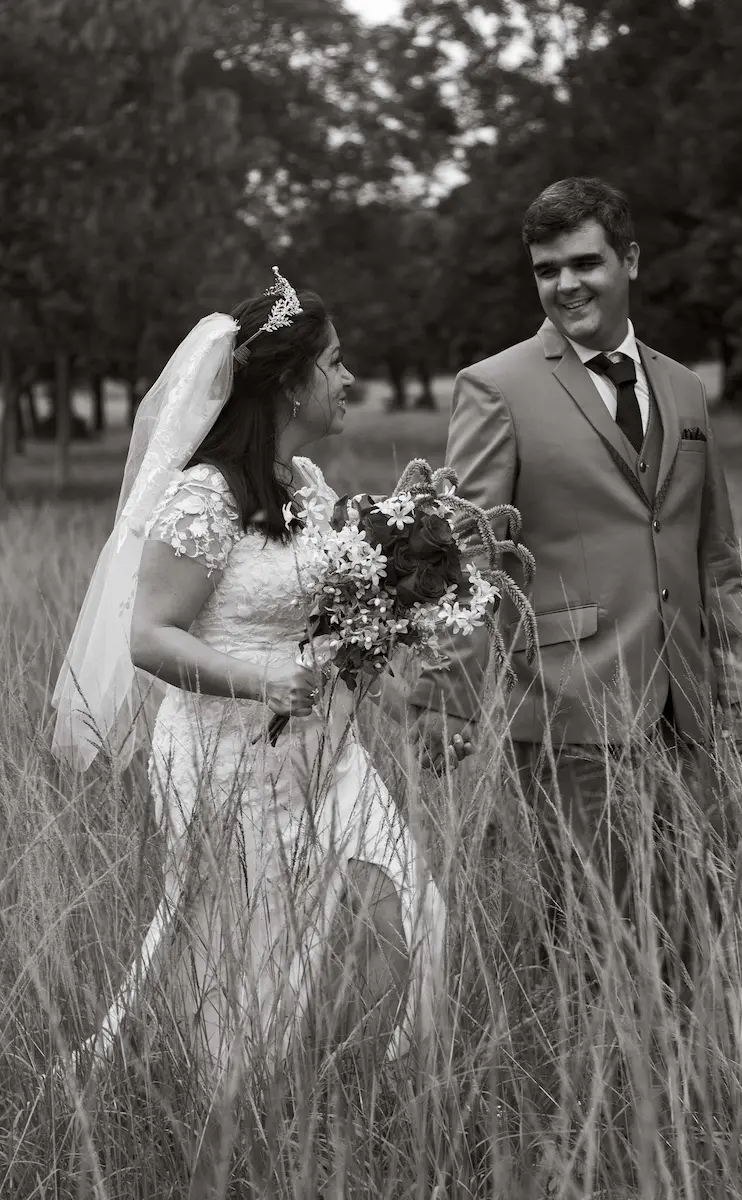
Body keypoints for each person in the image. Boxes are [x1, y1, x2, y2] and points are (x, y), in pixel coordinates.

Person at [52, 270, 453, 1191]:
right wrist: (266, 676)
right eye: (337, 363)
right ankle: (234, 1140)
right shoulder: (203, 497)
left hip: (328, 750)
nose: (350, 379)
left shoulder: (308, 485)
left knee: (415, 915)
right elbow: (149, 637)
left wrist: (393, 635)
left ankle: (383, 1108)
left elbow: (338, 611)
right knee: (253, 965)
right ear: (293, 382)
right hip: (226, 754)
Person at [408, 177, 742, 968]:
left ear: (630, 259)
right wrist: (451, 700)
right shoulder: (495, 389)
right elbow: (467, 557)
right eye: (546, 269)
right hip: (569, 707)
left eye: (584, 262)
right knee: (590, 940)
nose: (565, 284)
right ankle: (589, 1082)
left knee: (697, 932)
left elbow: (717, 553)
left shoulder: (683, 388)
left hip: (689, 711)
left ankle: (687, 1080)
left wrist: (740, 682)